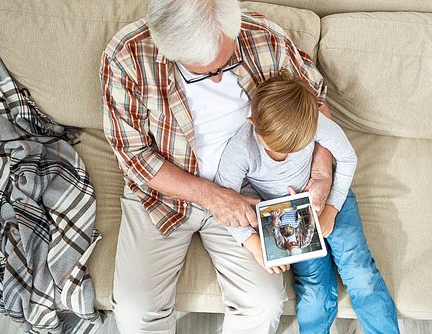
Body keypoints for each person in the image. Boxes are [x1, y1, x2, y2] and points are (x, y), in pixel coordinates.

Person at [100, 0, 335, 333]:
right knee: (136, 311)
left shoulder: (263, 37)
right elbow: (135, 156)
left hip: (248, 187)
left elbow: (317, 99)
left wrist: (322, 174)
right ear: (170, 51)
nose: (217, 79)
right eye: (206, 72)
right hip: (165, 190)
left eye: (226, 63)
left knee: (264, 304)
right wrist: (212, 197)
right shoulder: (125, 57)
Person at [215, 70, 400, 334]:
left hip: (333, 200)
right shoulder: (241, 149)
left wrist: (332, 210)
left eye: (296, 147)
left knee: (360, 272)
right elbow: (226, 204)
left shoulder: (312, 121)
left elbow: (348, 158)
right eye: (277, 148)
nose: (287, 154)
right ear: (252, 122)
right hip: (286, 216)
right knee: (314, 287)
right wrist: (253, 242)